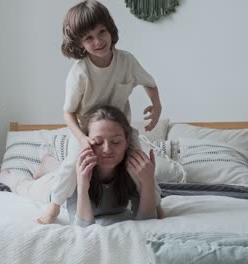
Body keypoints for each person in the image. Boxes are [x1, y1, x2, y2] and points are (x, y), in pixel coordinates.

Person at [37, 0, 162, 224]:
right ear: (79, 44)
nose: (98, 41)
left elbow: (150, 83)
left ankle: (157, 202)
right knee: (71, 164)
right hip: (89, 132)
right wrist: (82, 139)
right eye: (88, 38)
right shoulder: (80, 73)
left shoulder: (127, 61)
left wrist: (157, 106)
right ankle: (54, 205)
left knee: (141, 162)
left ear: (110, 29)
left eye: (101, 32)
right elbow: (68, 113)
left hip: (119, 131)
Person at [66, 105, 160, 226]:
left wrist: (148, 183)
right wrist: (83, 187)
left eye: (116, 141)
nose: (107, 149)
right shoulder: (73, 175)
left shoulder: (132, 173)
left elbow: (147, 223)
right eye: (98, 142)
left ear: (127, 142)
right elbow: (81, 228)